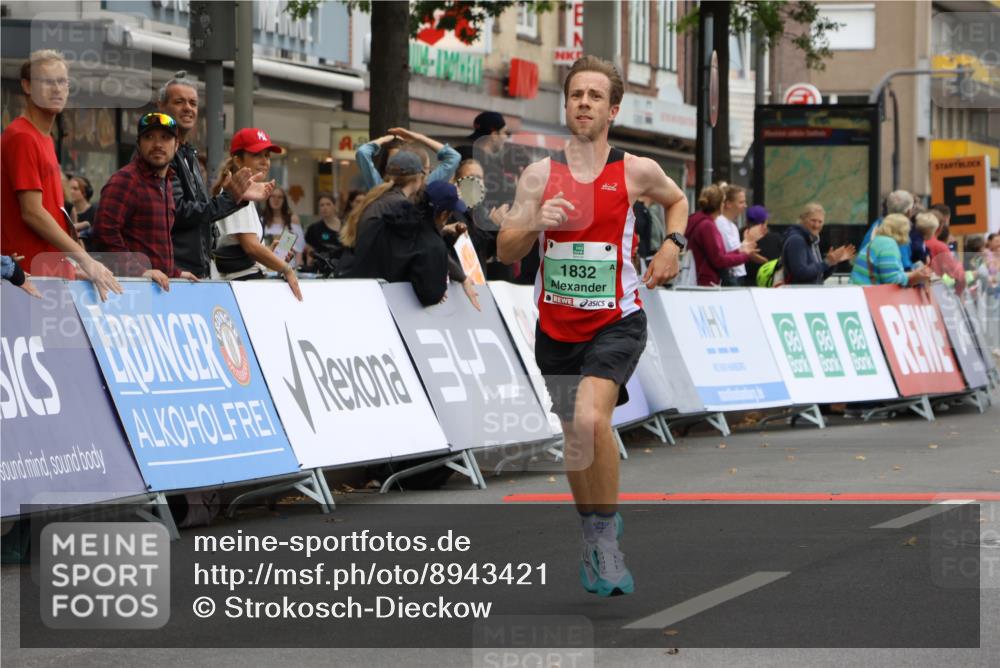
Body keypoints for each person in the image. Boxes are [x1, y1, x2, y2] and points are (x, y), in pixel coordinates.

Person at [496, 55, 689, 598]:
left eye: (595, 96)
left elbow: (677, 203)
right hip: (555, 327)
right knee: (576, 442)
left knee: (590, 418)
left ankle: (604, 536)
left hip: (617, 320)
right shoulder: (539, 175)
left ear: (613, 109)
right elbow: (506, 247)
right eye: (576, 94)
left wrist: (672, 246)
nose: (584, 102)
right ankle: (594, 529)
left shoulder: (636, 171)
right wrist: (535, 221)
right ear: (567, 104)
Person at [0, 49, 121, 300]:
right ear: (27, 86)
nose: (56, 89)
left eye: (62, 81)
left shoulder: (43, 137)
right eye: (46, 81)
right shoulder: (22, 136)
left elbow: (49, 213)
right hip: (28, 282)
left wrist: (72, 267)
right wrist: (85, 259)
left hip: (46, 277)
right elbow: (32, 212)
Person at [158, 72, 265, 278]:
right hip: (174, 273)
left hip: (196, 271)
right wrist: (231, 198)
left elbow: (200, 216)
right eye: (179, 102)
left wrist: (234, 200)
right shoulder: (161, 155)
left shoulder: (188, 153)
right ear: (161, 106)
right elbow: (179, 212)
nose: (188, 108)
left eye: (193, 103)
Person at [339, 151, 472, 307]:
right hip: (382, 294)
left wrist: (441, 231)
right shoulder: (401, 207)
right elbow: (426, 246)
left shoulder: (381, 200)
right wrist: (462, 277)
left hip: (368, 288)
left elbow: (399, 240)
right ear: (418, 178)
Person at [91, 113, 199, 291]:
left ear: (177, 145)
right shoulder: (126, 180)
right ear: (139, 145)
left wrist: (175, 273)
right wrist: (139, 272)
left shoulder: (166, 183)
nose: (157, 145)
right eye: (149, 137)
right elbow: (104, 233)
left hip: (157, 290)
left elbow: (153, 244)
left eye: (165, 138)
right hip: (130, 291)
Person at [210, 127, 300, 300]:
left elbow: (246, 248)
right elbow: (251, 247)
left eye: (267, 156)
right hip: (240, 288)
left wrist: (268, 253)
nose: (265, 161)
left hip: (243, 284)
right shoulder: (234, 193)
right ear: (237, 160)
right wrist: (285, 268)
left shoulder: (243, 193)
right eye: (257, 154)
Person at [685, 184, 759, 286]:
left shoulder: (699, 221)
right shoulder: (708, 226)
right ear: (721, 204)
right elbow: (719, 259)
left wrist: (739, 252)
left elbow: (718, 255)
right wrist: (745, 256)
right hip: (706, 281)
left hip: (700, 278)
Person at [356, 127, 460, 190]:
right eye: (394, 160)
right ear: (386, 167)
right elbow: (362, 152)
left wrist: (418, 137)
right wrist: (388, 138)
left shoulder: (424, 187)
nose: (400, 164)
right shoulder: (380, 188)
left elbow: (454, 157)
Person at [782, 202, 855, 285]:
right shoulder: (797, 240)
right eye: (813, 220)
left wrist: (834, 262)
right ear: (803, 220)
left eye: (820, 222)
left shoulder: (812, 240)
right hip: (800, 295)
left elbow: (820, 275)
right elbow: (801, 273)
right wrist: (827, 262)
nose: (816, 225)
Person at [850, 214, 932, 287]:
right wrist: (915, 276)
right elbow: (892, 280)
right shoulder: (888, 244)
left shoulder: (878, 241)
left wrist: (913, 273)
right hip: (869, 295)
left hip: (859, 293)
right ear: (902, 231)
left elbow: (888, 273)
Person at [714, 184, 758, 286]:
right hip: (730, 275)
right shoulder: (720, 223)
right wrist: (747, 243)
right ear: (728, 204)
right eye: (741, 202)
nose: (745, 205)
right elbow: (731, 251)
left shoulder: (732, 226)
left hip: (737, 274)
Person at [262, 186, 305, 267]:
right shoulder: (261, 220)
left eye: (280, 197)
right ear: (268, 199)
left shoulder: (292, 219)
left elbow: (300, 249)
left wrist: (298, 268)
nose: (276, 200)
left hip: (288, 267)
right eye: (273, 196)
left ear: (284, 200)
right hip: (267, 266)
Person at [304, 191, 345, 274]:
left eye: (328, 204)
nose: (325, 208)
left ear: (334, 206)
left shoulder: (345, 227)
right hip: (321, 269)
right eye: (322, 205)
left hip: (342, 267)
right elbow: (309, 249)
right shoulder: (313, 229)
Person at [67, 174, 95, 244]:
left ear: (85, 192)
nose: (71, 191)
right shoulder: (67, 212)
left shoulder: (95, 212)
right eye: (69, 188)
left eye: (75, 189)